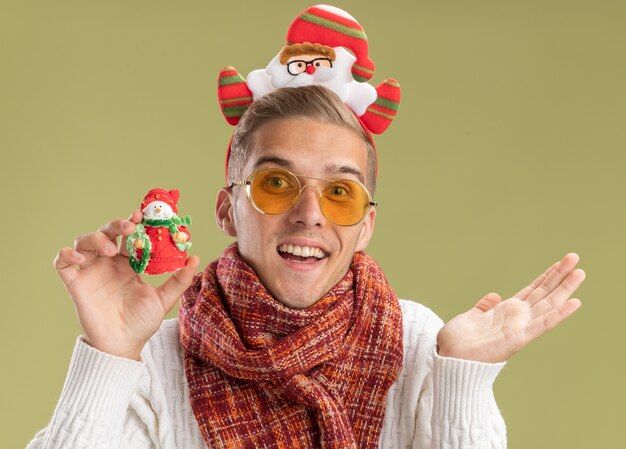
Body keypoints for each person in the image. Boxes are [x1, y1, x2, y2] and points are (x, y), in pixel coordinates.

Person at [27, 6, 585, 449]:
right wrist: (109, 353)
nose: (310, 213)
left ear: (365, 227)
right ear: (226, 210)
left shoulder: (423, 347)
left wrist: (463, 375)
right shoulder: (150, 361)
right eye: (276, 184)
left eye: (340, 193)